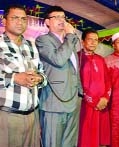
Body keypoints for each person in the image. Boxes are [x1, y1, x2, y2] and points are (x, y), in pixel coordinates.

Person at [0, 5, 47, 147]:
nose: (20, 22)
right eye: (15, 18)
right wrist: (14, 78)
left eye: (23, 19)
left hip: (32, 116)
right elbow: (15, 77)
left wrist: (40, 79)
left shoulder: (30, 45)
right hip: (7, 116)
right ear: (4, 20)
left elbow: (42, 73)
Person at [36, 6, 81, 147]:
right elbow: (58, 60)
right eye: (57, 17)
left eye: (63, 17)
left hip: (73, 101)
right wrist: (70, 36)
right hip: (54, 103)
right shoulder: (43, 40)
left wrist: (80, 93)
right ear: (47, 22)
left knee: (69, 143)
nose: (62, 20)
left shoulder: (69, 42)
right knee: (52, 143)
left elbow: (75, 70)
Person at [77, 29, 111, 147]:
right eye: (90, 39)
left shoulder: (101, 59)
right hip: (85, 106)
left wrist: (105, 98)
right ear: (83, 41)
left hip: (102, 105)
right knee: (85, 139)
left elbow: (108, 81)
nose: (93, 42)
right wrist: (94, 101)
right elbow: (78, 83)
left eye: (96, 40)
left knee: (100, 140)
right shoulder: (77, 58)